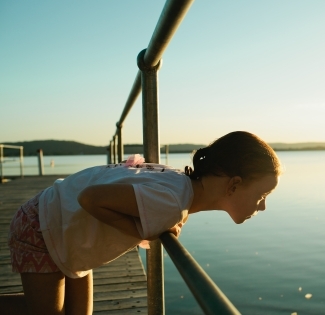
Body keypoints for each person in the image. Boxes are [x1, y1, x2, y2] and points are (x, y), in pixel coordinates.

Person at [2, 131, 282, 315]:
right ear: (234, 185)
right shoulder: (173, 201)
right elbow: (91, 199)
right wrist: (144, 233)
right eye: (262, 194)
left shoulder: (180, 186)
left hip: (66, 229)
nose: (263, 205)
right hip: (42, 228)